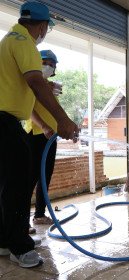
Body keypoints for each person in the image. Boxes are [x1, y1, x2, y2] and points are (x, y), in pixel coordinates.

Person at [0, 2, 78, 268]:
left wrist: (47, 85)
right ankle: (19, 247)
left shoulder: (11, 38)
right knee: (20, 184)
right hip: (6, 122)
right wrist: (62, 120)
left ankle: (6, 239)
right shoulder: (24, 43)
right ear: (43, 26)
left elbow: (29, 83)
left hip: (7, 122)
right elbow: (33, 83)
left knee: (9, 184)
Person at [25, 50, 62, 230]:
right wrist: (44, 126)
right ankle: (21, 219)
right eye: (44, 62)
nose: (48, 66)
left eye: (51, 64)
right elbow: (29, 108)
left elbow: (53, 111)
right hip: (35, 134)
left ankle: (39, 215)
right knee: (29, 178)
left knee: (44, 177)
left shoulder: (47, 85)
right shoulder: (31, 83)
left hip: (49, 137)